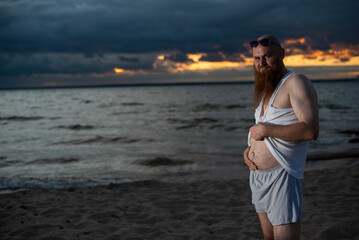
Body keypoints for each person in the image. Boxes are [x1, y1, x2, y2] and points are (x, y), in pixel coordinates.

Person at [243, 35, 319, 240]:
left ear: (282, 54)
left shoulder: (296, 82)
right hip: (257, 177)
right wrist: (249, 151)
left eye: (267, 57)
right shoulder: (268, 90)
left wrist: (265, 131)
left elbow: (310, 130)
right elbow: (263, 133)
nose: (262, 63)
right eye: (257, 59)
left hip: (282, 175)